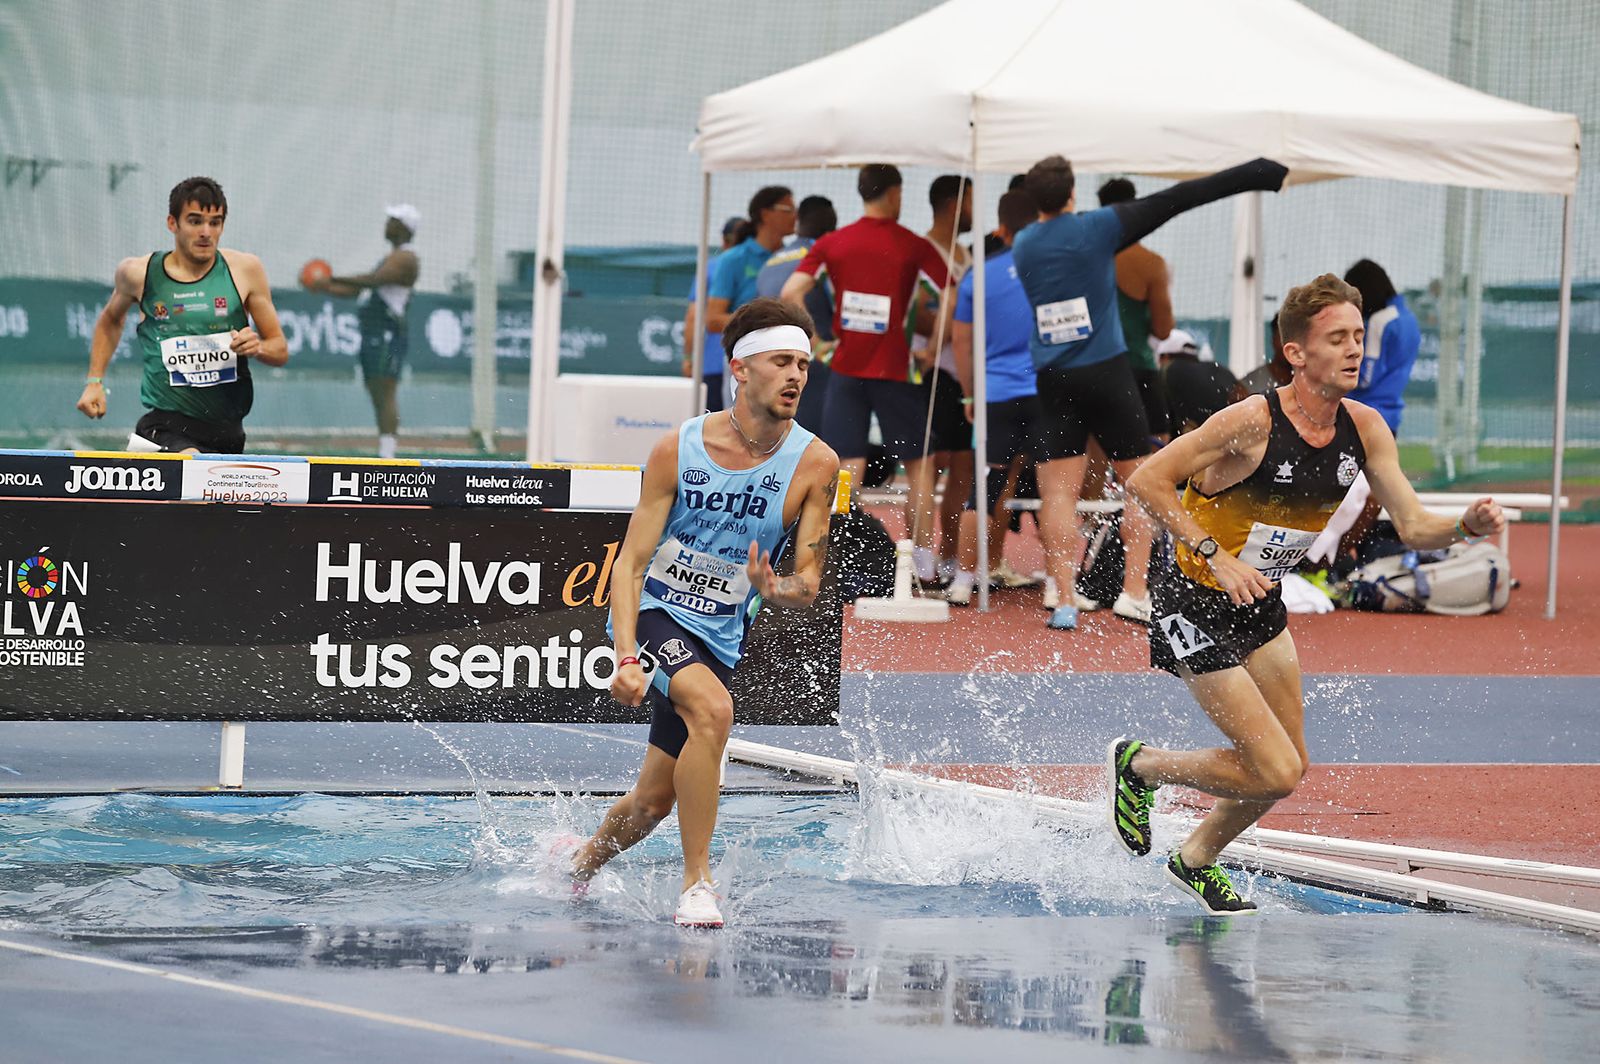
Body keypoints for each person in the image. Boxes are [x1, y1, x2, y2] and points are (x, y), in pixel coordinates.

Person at [1114, 274, 1505, 914]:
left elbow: (1413, 525)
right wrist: (1216, 554)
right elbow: (1149, 480)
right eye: (1337, 339)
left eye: (1358, 336)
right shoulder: (1250, 421)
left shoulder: (1366, 427)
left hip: (1259, 605)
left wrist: (1465, 526)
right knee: (1276, 770)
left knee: (1287, 764)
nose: (1354, 350)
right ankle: (1141, 767)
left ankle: (1195, 859)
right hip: (1193, 598)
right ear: (1296, 352)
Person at [571, 298, 840, 929]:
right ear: (741, 369)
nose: (797, 375)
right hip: (660, 612)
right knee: (714, 711)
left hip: (720, 634)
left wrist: (772, 588)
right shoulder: (678, 448)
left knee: (651, 802)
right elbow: (631, 564)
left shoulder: (817, 462)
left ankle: (577, 867)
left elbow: (807, 585)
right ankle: (697, 885)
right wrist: (628, 656)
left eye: (804, 363)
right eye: (782, 361)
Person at [1011, 154, 1288, 630]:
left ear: (1031, 201)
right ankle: (1134, 592)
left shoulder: (1024, 244)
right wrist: (1254, 174)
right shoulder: (1094, 228)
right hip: (1108, 374)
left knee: (1057, 492)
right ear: (1073, 193)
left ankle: (1064, 599)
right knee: (1142, 480)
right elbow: (1176, 199)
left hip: (1054, 379)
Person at [779, 164, 953, 585]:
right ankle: (921, 563)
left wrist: (818, 343)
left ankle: (839, 556)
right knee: (919, 467)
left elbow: (790, 292)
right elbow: (951, 291)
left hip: (845, 367)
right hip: (896, 368)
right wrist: (932, 347)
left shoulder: (833, 243)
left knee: (845, 468)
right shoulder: (913, 244)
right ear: (895, 194)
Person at [76, 176, 288, 453]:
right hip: (166, 428)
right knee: (192, 468)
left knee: (211, 491)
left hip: (228, 432)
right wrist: (94, 382)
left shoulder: (245, 270)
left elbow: (279, 349)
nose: (206, 232)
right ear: (172, 223)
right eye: (195, 221)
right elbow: (110, 321)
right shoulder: (138, 273)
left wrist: (258, 346)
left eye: (215, 222)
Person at [946, 190, 1041, 606]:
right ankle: (1061, 589)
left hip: (996, 395)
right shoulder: (1054, 273)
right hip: (1045, 393)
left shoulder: (978, 275)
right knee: (1054, 493)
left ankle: (964, 580)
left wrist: (970, 393)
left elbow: (961, 343)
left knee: (984, 487)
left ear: (1000, 229)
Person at [307, 205, 420, 458]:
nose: (386, 224)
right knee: (375, 388)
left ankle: (388, 451)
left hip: (388, 331)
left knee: (386, 388)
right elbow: (356, 290)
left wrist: (332, 279)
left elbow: (373, 280)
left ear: (403, 227)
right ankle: (385, 446)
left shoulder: (406, 258)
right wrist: (324, 286)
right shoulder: (392, 257)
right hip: (375, 331)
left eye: (392, 220)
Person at [915, 175, 977, 583]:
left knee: (963, 467)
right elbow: (916, 312)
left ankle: (951, 555)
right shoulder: (923, 252)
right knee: (928, 466)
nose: (977, 210)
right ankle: (918, 556)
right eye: (972, 201)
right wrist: (952, 320)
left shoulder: (967, 255)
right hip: (929, 371)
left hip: (963, 372)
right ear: (955, 205)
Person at [1098, 178, 1175, 444]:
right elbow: (1163, 330)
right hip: (1137, 366)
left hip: (1094, 369)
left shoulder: (1088, 257)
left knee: (1091, 464)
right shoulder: (1151, 264)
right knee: (1157, 453)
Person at [706, 186, 797, 407]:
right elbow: (713, 319)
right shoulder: (734, 259)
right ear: (765, 214)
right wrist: (762, 325)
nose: (796, 216)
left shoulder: (794, 258)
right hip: (746, 357)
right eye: (788, 209)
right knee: (741, 428)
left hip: (785, 357)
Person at [757, 196, 837, 431]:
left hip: (773, 360)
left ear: (799, 221)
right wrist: (820, 346)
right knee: (816, 441)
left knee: (781, 436)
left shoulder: (772, 260)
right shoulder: (823, 256)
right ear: (832, 225)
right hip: (816, 361)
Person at [1343, 259, 1421, 434]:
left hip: (1364, 417)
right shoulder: (1409, 319)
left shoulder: (1380, 321)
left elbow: (1364, 378)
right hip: (1390, 417)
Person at [684, 216, 750, 413]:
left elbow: (694, 316)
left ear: (724, 241)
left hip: (712, 364)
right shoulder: (765, 263)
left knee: (713, 430)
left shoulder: (712, 267)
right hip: (751, 366)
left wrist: (689, 357)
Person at [1158, 330, 1240, 438]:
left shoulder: (1166, 372)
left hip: (1191, 444)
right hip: (1231, 438)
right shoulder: (1222, 371)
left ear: (1165, 357)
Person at [1238, 314, 1293, 395]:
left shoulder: (1312, 383)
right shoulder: (1246, 389)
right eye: (1284, 338)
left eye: (1295, 338)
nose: (1290, 345)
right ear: (1273, 339)